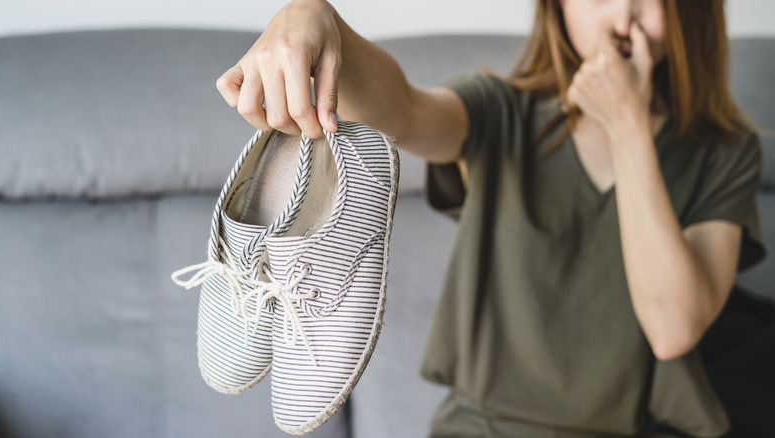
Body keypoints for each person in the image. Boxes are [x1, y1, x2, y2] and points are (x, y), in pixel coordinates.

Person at [214, 0, 768, 436]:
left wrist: (628, 127)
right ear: (559, 7)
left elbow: (674, 329)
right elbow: (402, 108)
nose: (624, 15)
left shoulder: (726, 151)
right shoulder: (502, 111)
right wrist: (313, 16)